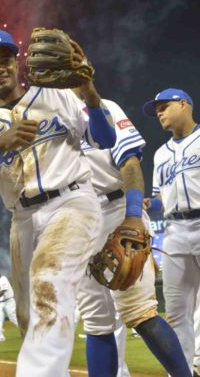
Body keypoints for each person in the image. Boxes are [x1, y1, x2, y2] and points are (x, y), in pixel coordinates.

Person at [0, 28, 116, 376]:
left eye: (5, 60)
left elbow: (104, 139)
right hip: (23, 220)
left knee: (50, 280)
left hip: (72, 202)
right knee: (30, 317)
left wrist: (89, 93)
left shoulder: (56, 96)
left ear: (18, 63)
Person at [74, 88, 190, 376]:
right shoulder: (48, 120)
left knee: (141, 314)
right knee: (96, 324)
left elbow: (130, 162)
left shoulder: (104, 107)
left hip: (116, 211)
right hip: (78, 220)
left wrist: (134, 216)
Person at [143, 88, 200, 374]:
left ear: (184, 104)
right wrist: (148, 202)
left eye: (164, 106)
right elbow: (160, 196)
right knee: (177, 312)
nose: (159, 113)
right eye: (157, 110)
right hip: (175, 229)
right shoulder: (160, 153)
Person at [0, 268, 18, 342]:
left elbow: (3, 290)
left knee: (13, 319)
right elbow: (0, 293)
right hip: (2, 303)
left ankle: (26, 331)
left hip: (9, 302)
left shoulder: (3, 279)